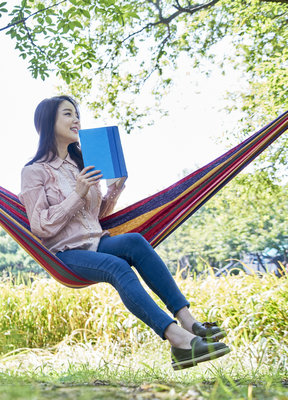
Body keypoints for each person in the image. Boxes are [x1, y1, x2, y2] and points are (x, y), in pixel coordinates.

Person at [19, 95, 231, 370]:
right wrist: (78, 192)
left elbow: (98, 216)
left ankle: (189, 321)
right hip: (67, 255)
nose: (77, 120)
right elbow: (41, 226)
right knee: (118, 267)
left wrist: (114, 189)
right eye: (68, 114)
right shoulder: (34, 172)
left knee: (135, 241)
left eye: (77, 114)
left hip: (96, 242)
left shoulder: (83, 165)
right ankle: (178, 340)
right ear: (49, 122)